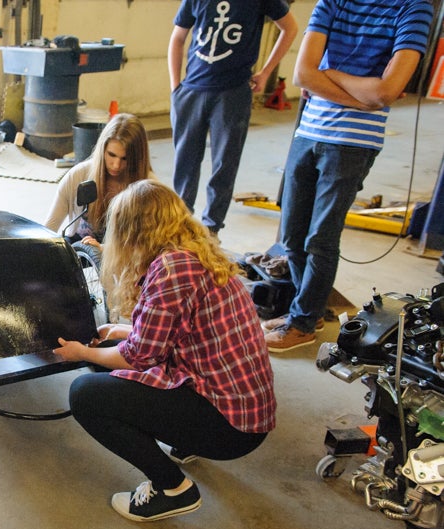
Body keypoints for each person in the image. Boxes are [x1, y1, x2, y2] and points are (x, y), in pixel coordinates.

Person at [53, 180, 275, 522]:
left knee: (86, 393)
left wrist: (82, 352)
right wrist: (119, 330)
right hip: (245, 413)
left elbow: (136, 357)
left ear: (133, 231)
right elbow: (175, 333)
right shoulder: (196, 253)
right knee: (109, 347)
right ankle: (186, 442)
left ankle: (173, 489)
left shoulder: (170, 270)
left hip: (230, 429)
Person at [263, 0, 434, 352]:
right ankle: (306, 310)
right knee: (293, 238)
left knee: (320, 239)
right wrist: (362, 93)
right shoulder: (334, 2)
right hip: (309, 132)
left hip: (353, 143)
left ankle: (303, 322)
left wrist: (330, 73)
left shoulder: (413, 9)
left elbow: (387, 91)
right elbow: (302, 74)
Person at [168, 0, 297, 234]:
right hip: (192, 90)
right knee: (184, 162)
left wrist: (266, 71)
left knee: (225, 163)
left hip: (232, 92)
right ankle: (180, 223)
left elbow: (290, 28)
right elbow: (178, 37)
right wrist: (176, 87)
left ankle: (212, 228)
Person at [43, 113, 155, 255]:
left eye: (125, 158)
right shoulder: (78, 175)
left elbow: (149, 242)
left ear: (137, 158)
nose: (116, 165)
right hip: (81, 248)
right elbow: (49, 228)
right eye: (111, 155)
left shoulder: (150, 186)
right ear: (102, 150)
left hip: (126, 255)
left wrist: (104, 249)